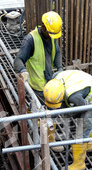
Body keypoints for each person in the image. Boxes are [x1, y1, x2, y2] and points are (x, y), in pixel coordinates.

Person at [14, 11, 63, 148]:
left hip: (50, 82)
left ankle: (36, 120)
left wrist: (59, 68)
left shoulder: (51, 36)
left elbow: (57, 52)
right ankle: (48, 142)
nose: (53, 37)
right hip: (38, 86)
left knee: (51, 113)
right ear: (43, 27)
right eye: (51, 33)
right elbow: (18, 60)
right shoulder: (30, 40)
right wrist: (22, 71)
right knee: (47, 115)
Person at [43, 70, 92, 170]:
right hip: (84, 84)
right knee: (84, 124)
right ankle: (87, 145)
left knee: (83, 127)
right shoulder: (55, 80)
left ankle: (79, 163)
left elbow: (82, 109)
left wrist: (70, 115)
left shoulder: (73, 96)